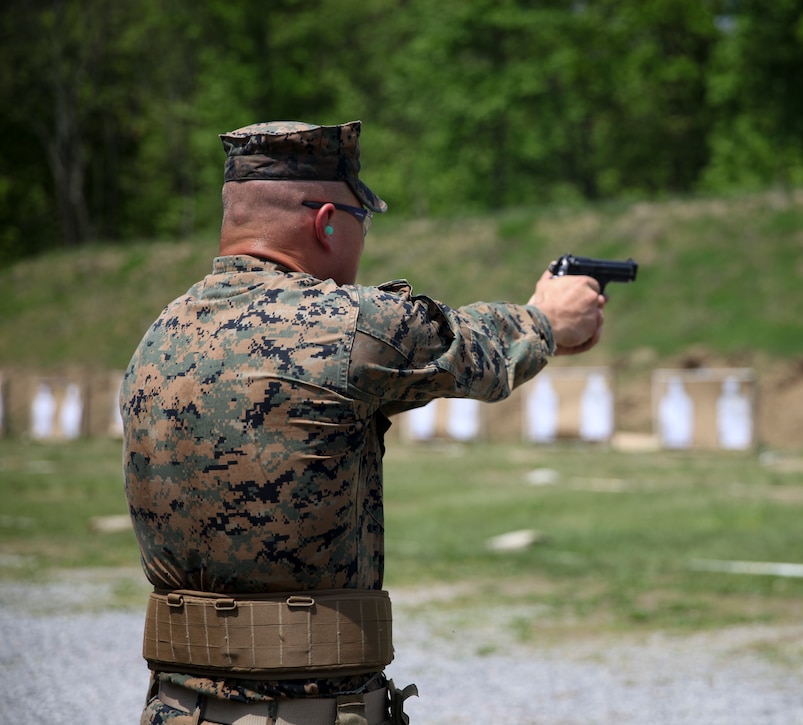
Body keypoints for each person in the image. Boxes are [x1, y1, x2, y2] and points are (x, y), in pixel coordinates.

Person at [122, 120, 606, 725]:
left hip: (175, 710)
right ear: (327, 222)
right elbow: (480, 351)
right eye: (361, 219)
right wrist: (547, 319)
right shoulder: (347, 327)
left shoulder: (159, 337)